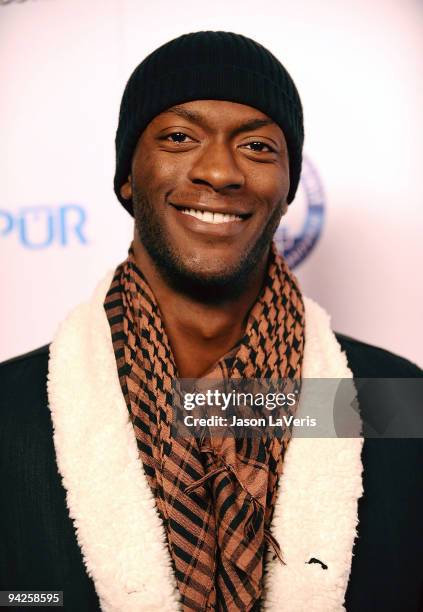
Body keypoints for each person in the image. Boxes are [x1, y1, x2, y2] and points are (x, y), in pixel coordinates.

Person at [0, 31, 421, 612]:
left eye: (257, 148)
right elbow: (22, 597)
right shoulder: (10, 410)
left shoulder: (394, 400)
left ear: (288, 188)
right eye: (179, 137)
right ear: (127, 176)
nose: (220, 172)